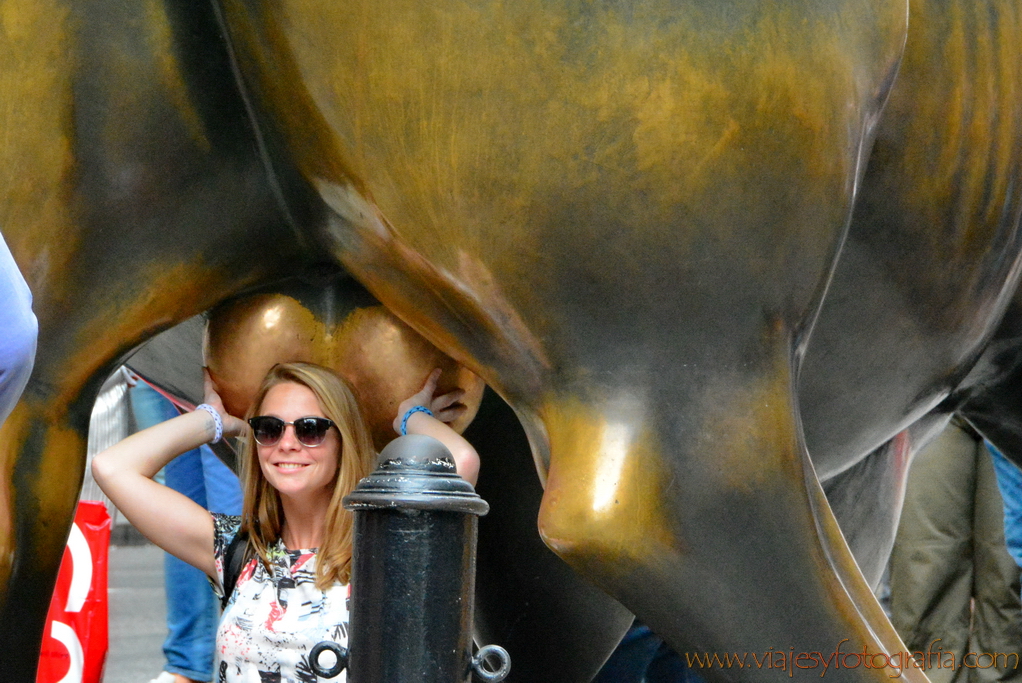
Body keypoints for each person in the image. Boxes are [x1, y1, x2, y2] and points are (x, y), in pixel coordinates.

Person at [93, 362, 478, 682]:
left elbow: (460, 462)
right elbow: (112, 468)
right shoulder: (238, 548)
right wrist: (212, 420)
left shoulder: (383, 546)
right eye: (269, 429)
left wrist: (408, 417)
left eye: (310, 429)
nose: (287, 443)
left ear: (343, 439)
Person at [126, 376, 243, 683]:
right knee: (182, 509)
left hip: (235, 350)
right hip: (169, 348)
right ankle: (187, 664)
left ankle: (238, 662)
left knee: (231, 525)